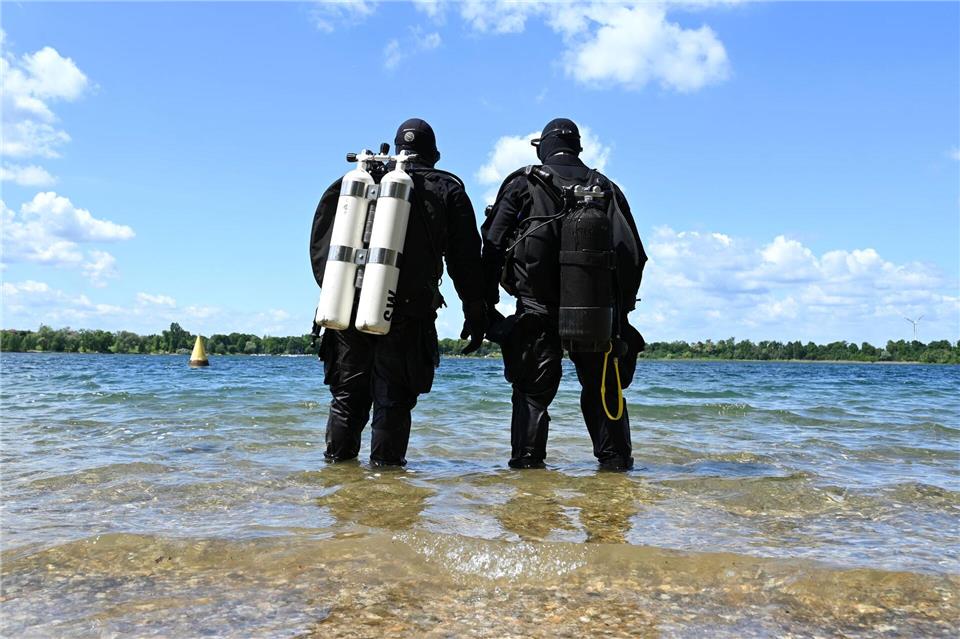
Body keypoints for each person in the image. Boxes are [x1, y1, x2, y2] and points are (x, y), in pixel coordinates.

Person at [309, 118, 488, 466]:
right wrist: (476, 310)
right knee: (392, 399)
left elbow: (322, 246)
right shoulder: (446, 189)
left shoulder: (356, 181)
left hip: (346, 305)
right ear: (434, 155)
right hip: (408, 312)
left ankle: (336, 488)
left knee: (347, 397)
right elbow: (465, 260)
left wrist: (337, 292)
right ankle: (388, 491)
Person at [480, 118, 647, 471]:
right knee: (603, 393)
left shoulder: (523, 183)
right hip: (594, 312)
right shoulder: (606, 188)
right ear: (578, 149)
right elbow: (633, 254)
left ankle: (528, 478)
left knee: (533, 395)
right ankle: (615, 474)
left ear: (543, 147)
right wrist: (622, 314)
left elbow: (492, 245)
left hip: (536, 310)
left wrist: (484, 303)